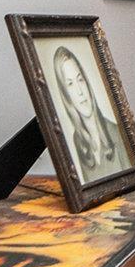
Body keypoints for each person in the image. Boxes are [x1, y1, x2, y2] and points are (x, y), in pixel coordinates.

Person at [52, 45, 129, 180]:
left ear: (86, 82)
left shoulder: (117, 134)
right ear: (66, 95)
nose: (80, 91)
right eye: (70, 84)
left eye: (80, 80)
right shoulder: (78, 140)